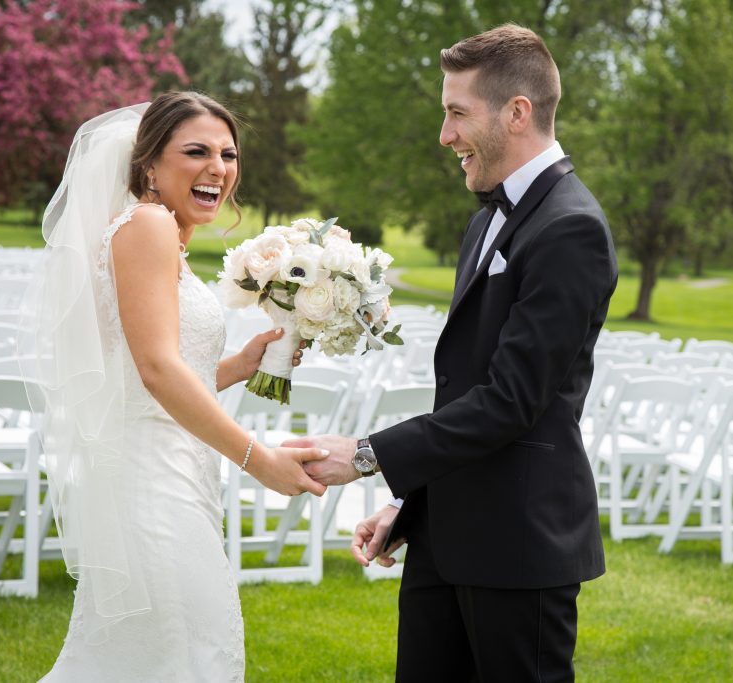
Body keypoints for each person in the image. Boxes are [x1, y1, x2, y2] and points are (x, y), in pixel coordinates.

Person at [286, 24, 618, 682]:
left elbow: (511, 402)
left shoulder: (570, 228)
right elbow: (466, 395)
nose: (445, 136)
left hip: (519, 550)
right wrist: (413, 511)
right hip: (448, 538)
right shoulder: (484, 219)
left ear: (516, 112)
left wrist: (364, 455)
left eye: (457, 114)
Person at [27, 92, 328, 682]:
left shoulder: (158, 232)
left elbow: (145, 371)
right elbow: (157, 372)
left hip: (174, 473)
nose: (218, 167)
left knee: (164, 653)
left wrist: (239, 364)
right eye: (196, 151)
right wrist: (257, 458)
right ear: (149, 164)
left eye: (228, 154)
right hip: (151, 482)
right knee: (187, 652)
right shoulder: (148, 224)